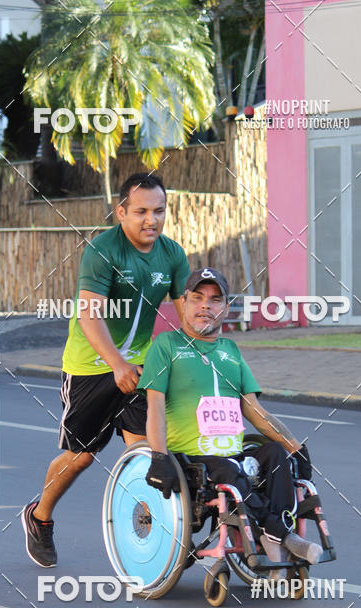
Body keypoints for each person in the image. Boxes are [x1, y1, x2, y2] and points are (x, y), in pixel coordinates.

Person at [22, 173, 190, 566]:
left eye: (159, 211)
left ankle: (160, 536)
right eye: (142, 211)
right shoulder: (103, 251)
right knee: (80, 457)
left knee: (146, 451)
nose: (152, 220)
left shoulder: (172, 255)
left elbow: (189, 320)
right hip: (91, 366)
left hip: (139, 366)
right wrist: (116, 363)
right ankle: (39, 516)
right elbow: (89, 314)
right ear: (121, 212)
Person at [138, 267, 322, 571]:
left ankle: (274, 534)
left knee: (275, 455)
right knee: (229, 472)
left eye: (215, 300)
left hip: (234, 454)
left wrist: (294, 446)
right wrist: (158, 456)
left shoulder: (231, 351)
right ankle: (281, 537)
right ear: (183, 303)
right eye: (197, 298)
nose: (205, 306)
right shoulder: (166, 346)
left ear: (225, 309)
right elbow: (154, 406)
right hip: (195, 458)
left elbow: (256, 413)